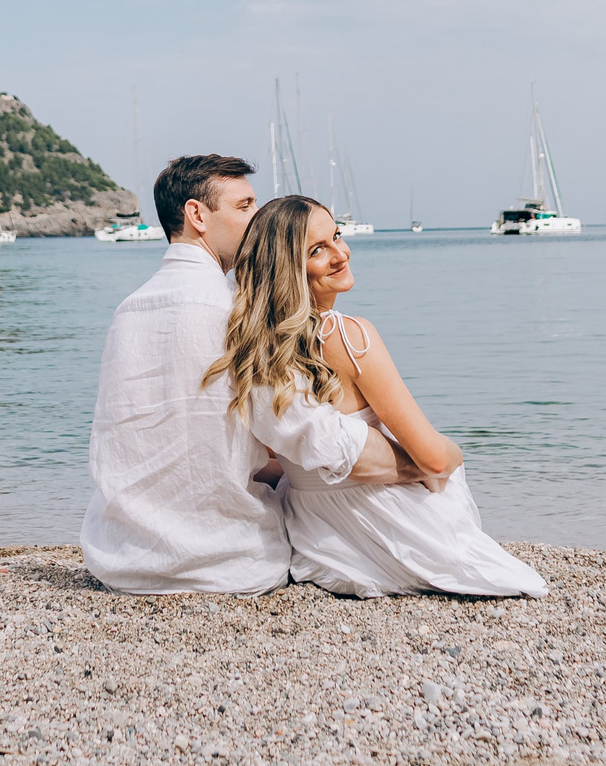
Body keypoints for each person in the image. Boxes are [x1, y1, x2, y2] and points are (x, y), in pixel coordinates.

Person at [81, 154, 430, 594]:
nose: (258, 219)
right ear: (197, 215)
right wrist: (418, 465)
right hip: (224, 561)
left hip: (119, 558)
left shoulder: (127, 311)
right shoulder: (236, 312)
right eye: (245, 206)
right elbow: (316, 436)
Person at [211, 194, 545, 597]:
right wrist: (456, 455)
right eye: (318, 250)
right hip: (388, 525)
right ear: (288, 269)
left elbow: (273, 459)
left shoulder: (254, 348)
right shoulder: (348, 336)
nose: (341, 254)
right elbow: (434, 459)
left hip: (314, 535)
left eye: (337, 236)